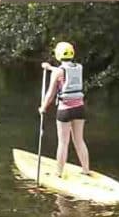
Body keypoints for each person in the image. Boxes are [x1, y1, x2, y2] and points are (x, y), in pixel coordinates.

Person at [39, 41, 91, 178]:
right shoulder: (79, 67)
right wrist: (49, 67)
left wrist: (43, 108)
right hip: (80, 108)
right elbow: (63, 70)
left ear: (58, 54)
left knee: (63, 142)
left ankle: (58, 173)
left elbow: (50, 94)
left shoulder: (57, 73)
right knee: (79, 140)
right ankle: (86, 169)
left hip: (65, 111)